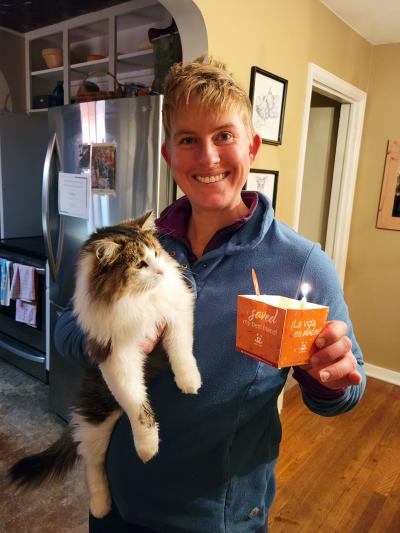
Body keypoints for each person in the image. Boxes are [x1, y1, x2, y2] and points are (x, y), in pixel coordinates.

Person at [55, 56, 366, 533]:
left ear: (253, 146)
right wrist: (111, 345)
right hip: (118, 502)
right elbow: (64, 331)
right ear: (168, 156)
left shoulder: (303, 265)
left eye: (224, 136)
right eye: (188, 140)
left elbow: (346, 392)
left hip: (219, 519)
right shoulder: (137, 246)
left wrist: (328, 379)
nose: (208, 158)